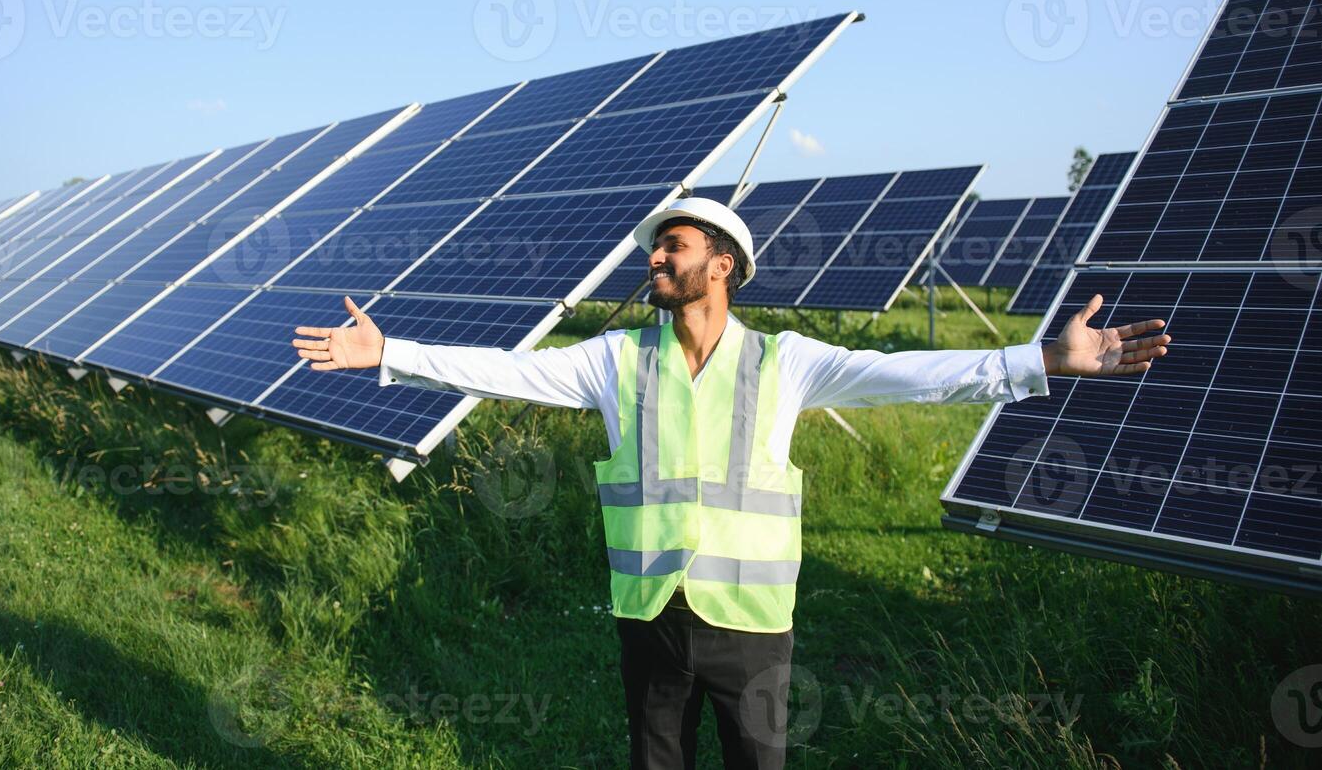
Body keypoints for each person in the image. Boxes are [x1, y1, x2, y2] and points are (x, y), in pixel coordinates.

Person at [290, 196, 1171, 770]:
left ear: (721, 264)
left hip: (751, 624)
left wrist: (1038, 360)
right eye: (653, 250)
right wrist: (392, 354)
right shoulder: (614, 359)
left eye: (669, 247)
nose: (653, 261)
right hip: (648, 612)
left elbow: (910, 373)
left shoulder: (786, 362)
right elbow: (504, 372)